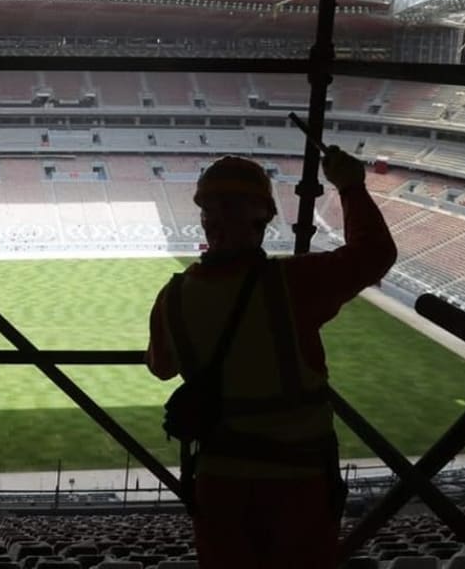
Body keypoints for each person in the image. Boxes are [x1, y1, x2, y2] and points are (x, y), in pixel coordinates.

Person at [147, 149, 397, 569]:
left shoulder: (172, 297)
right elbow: (375, 254)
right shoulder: (293, 282)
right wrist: (351, 185)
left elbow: (161, 367)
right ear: (263, 218)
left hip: (218, 481)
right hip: (298, 484)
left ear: (205, 219)